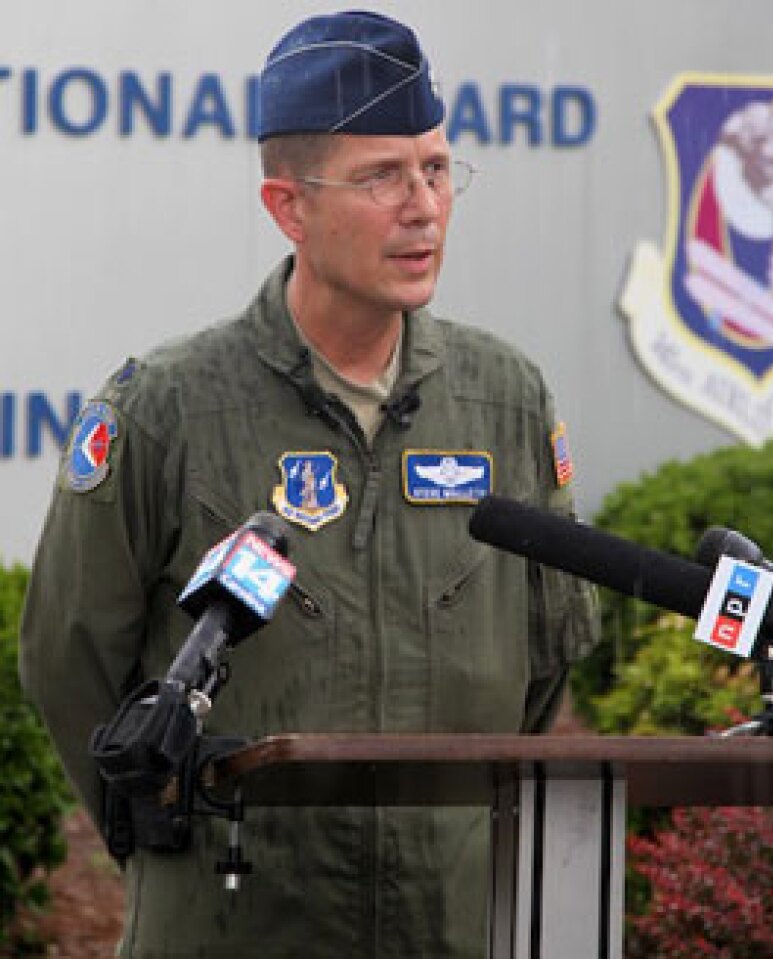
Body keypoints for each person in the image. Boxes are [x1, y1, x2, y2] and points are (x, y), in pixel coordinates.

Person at [19, 10, 599, 958]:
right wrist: (170, 836)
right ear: (289, 207)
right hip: (233, 922)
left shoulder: (505, 400)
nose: (424, 205)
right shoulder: (168, 408)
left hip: (446, 927)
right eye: (382, 176)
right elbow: (70, 662)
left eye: (438, 168)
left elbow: (544, 655)